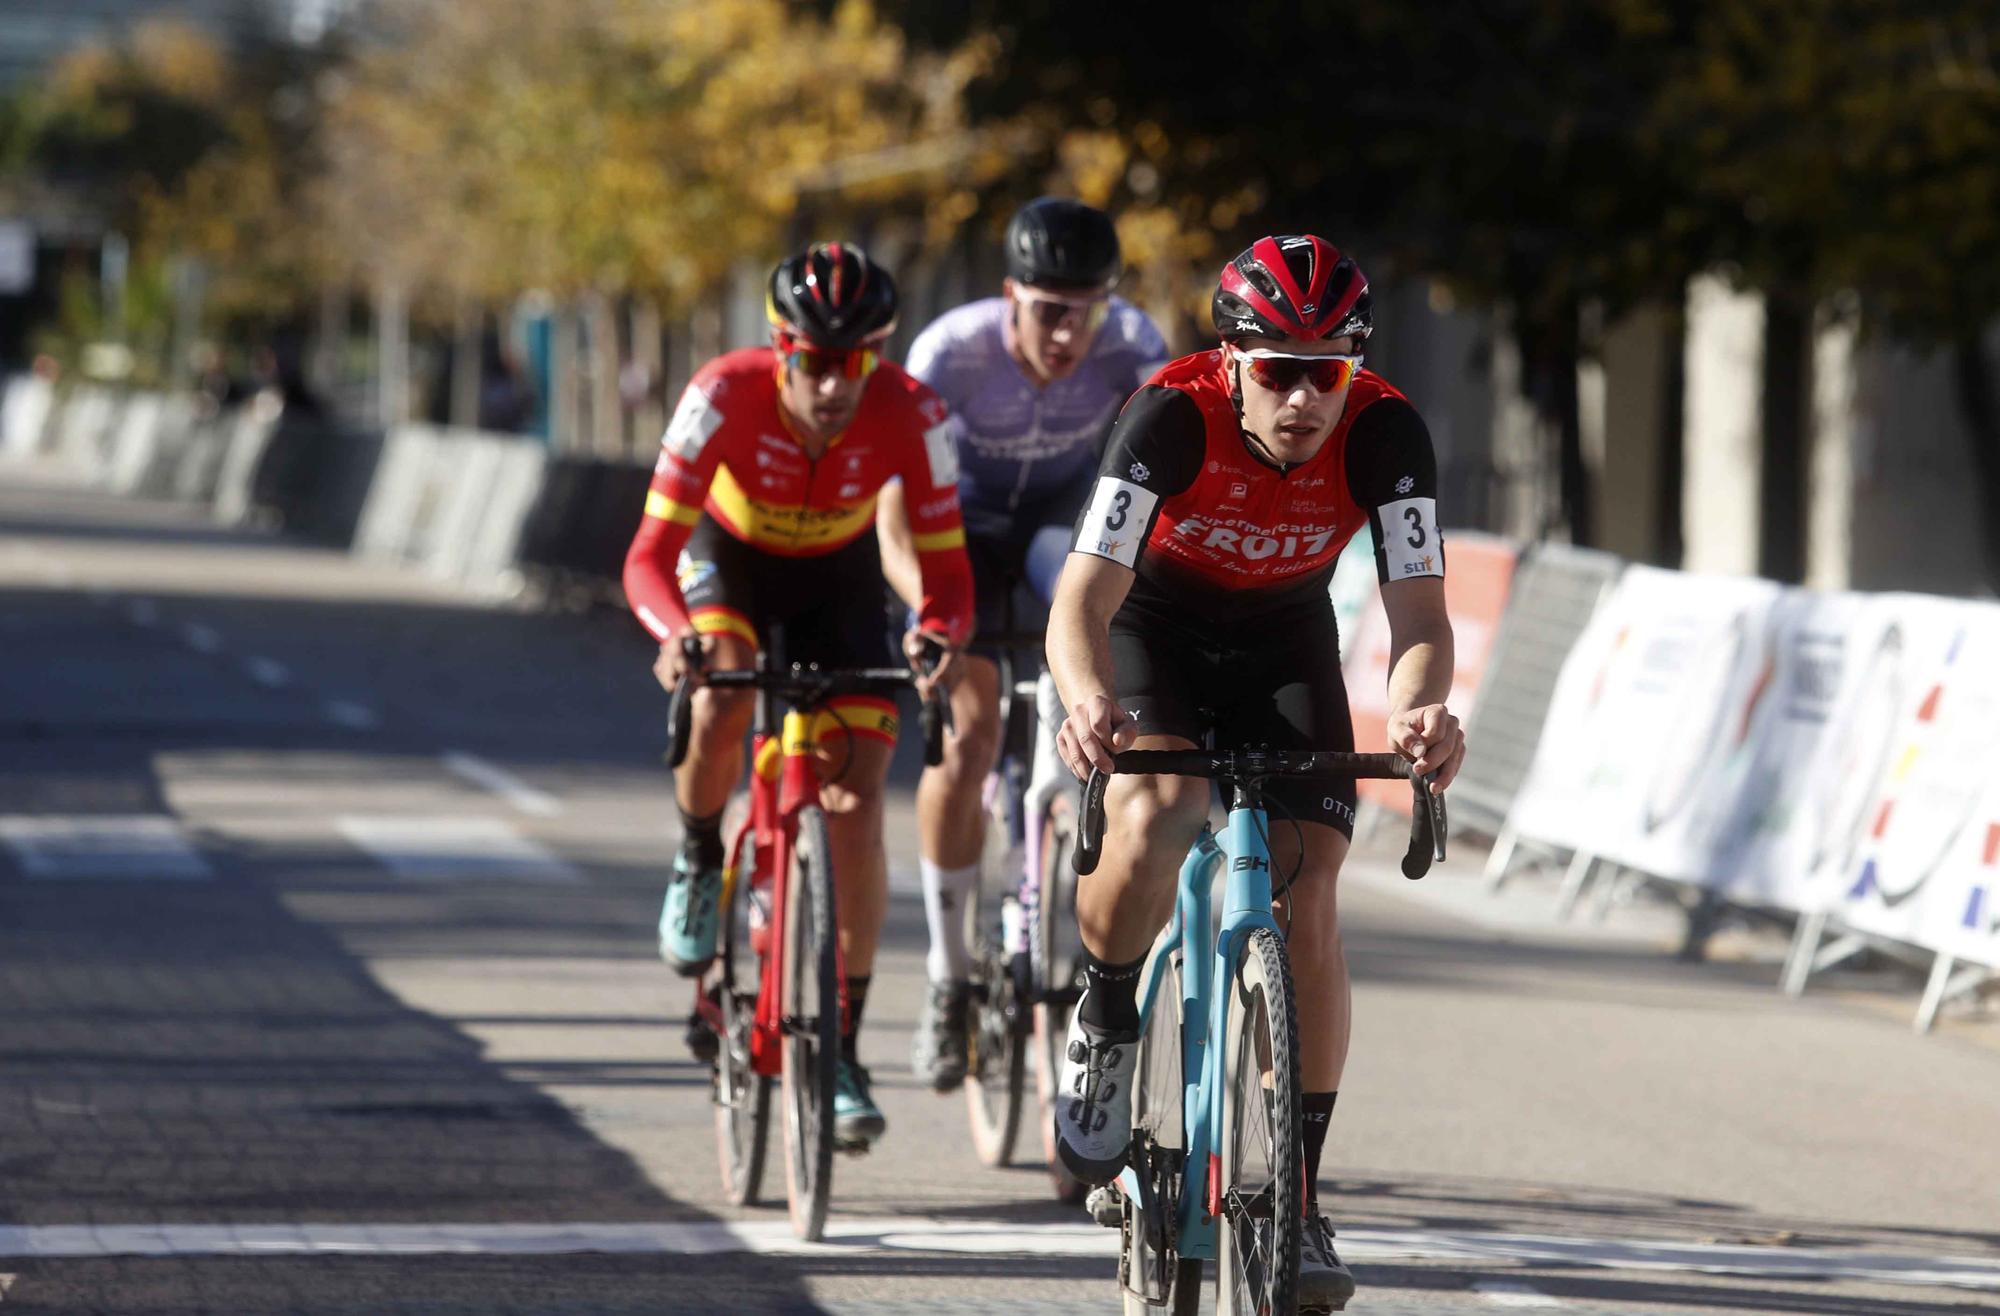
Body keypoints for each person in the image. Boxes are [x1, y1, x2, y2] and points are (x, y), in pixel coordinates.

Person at [1044, 235, 1466, 1311]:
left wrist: (1418, 706)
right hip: (1155, 627)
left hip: (1283, 636)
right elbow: (1080, 602)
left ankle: (1303, 1192)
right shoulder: (1166, 419)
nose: (1300, 396)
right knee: (1160, 807)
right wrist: (1088, 697)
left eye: (1324, 370)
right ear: (1228, 359)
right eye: (1275, 368)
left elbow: (1418, 615)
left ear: (1353, 368)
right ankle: (1100, 1018)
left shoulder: (1386, 433)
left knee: (1309, 880)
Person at [622, 242, 973, 1149]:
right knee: (723, 696)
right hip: (729, 562)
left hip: (840, 582)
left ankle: (843, 1047)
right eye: (814, 362)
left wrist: (935, 633)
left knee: (855, 811)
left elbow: (947, 576)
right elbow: (648, 558)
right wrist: (677, 637)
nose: (834, 384)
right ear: (780, 349)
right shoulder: (720, 395)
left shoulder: (914, 412)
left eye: (856, 361)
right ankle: (702, 857)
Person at [877, 197, 1168, 1091]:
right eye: (1047, 310)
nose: (1066, 332)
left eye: (1084, 310)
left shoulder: (1136, 347)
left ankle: (1063, 791)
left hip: (1058, 529)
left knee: (1089, 631)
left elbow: (1155, 495)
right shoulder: (948, 354)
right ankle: (948, 977)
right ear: (1010, 296)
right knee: (965, 739)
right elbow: (895, 502)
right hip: (954, 528)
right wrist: (926, 605)